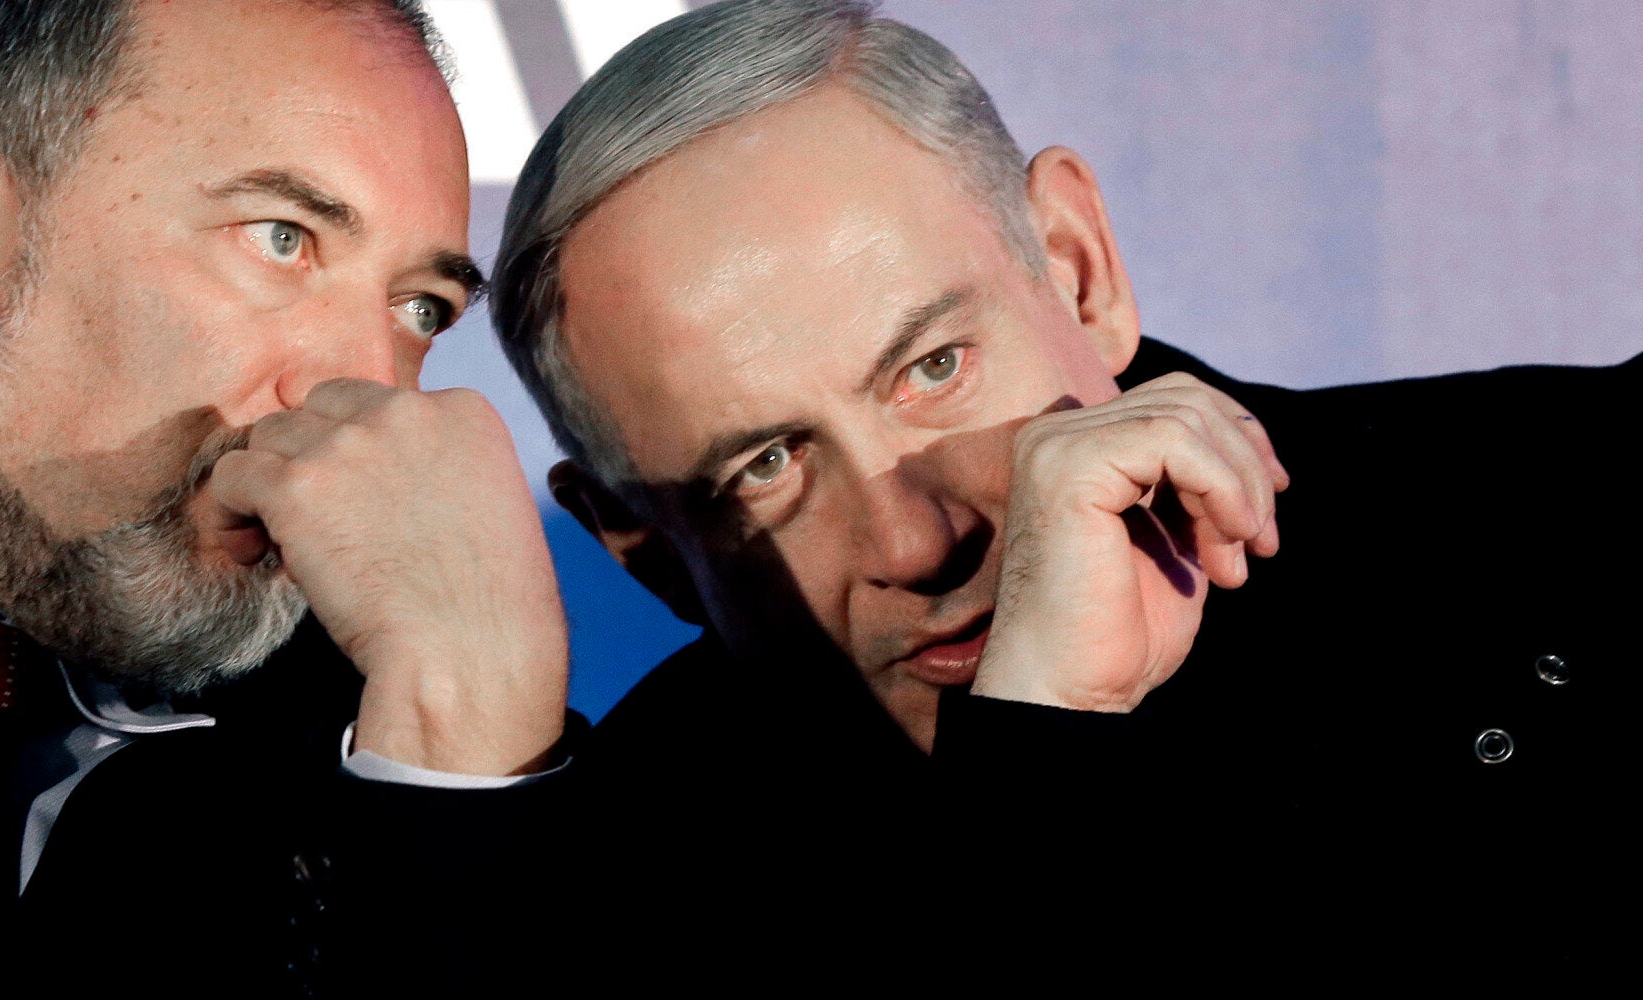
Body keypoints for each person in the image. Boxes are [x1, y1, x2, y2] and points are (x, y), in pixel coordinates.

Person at [494, 0, 1637, 986]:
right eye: (764, 467)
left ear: (1078, 270)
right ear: (642, 548)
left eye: (933, 366)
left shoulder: (1592, 494)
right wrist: (1039, 750)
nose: (913, 539)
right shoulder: (608, 909)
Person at [0, 1, 575, 996]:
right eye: (281, 238)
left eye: (419, 309)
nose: (360, 393)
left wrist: (460, 742)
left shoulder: (391, 769)